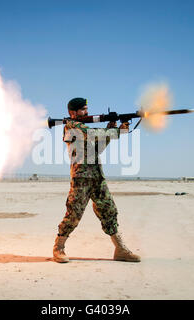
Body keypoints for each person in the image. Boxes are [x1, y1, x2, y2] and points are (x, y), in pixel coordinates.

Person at [53, 97, 141, 263]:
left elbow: (97, 148)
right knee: (74, 214)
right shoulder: (72, 126)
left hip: (96, 176)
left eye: (87, 109)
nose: (87, 112)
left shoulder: (82, 127)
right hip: (81, 178)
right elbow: (91, 134)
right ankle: (59, 248)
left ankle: (120, 249)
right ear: (73, 112)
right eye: (83, 109)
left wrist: (112, 129)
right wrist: (116, 132)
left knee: (109, 210)